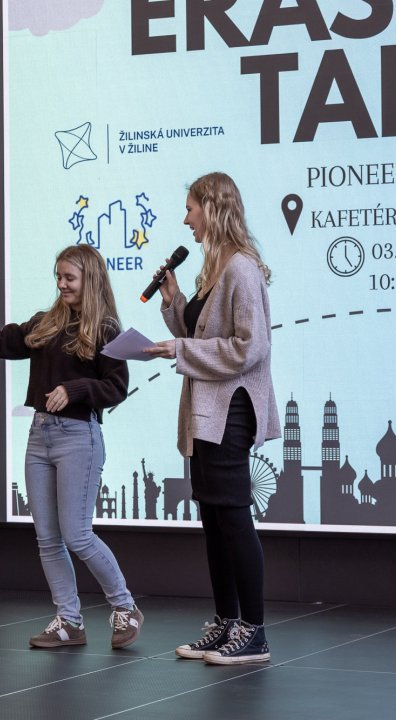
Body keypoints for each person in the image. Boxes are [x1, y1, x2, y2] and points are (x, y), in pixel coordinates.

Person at [0, 244, 143, 650]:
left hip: (78, 438)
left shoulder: (106, 330)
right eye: (58, 277)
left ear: (90, 279)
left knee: (77, 534)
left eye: (70, 278)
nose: (62, 284)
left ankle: (125, 607)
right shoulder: (46, 323)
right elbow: (2, 341)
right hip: (39, 436)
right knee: (48, 538)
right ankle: (69, 621)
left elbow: (116, 387)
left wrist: (75, 390)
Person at [143, 172, 280, 665]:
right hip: (206, 412)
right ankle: (226, 623)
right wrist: (173, 300)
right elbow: (198, 333)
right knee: (213, 519)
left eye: (190, 208)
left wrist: (179, 350)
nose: (186, 220)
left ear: (213, 208)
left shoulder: (241, 268)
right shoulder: (214, 267)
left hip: (230, 410)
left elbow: (249, 346)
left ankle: (254, 632)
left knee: (233, 518)